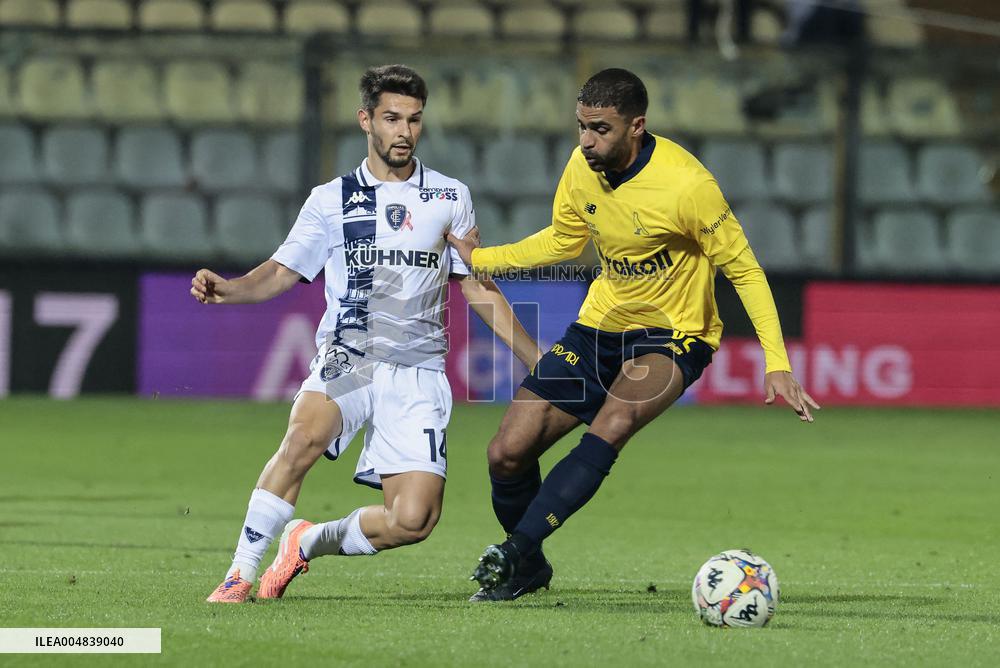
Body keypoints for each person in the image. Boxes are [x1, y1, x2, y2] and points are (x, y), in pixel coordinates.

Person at [446, 68, 819, 602]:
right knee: (507, 452)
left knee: (614, 420)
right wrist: (485, 259)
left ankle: (512, 552)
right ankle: (528, 567)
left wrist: (776, 361)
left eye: (600, 129)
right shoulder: (582, 166)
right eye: (581, 126)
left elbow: (745, 271)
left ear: (636, 126)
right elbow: (563, 241)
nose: (586, 140)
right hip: (600, 325)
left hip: (673, 334)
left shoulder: (688, 186)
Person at [195, 64, 541, 603]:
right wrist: (230, 289)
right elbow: (283, 271)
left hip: (419, 370)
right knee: (303, 438)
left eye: (414, 120)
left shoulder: (450, 196)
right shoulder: (330, 199)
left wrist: (534, 357)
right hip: (351, 354)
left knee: (413, 520)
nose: (404, 131)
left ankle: (307, 541)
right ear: (366, 120)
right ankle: (239, 573)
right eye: (392, 119)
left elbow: (476, 286)